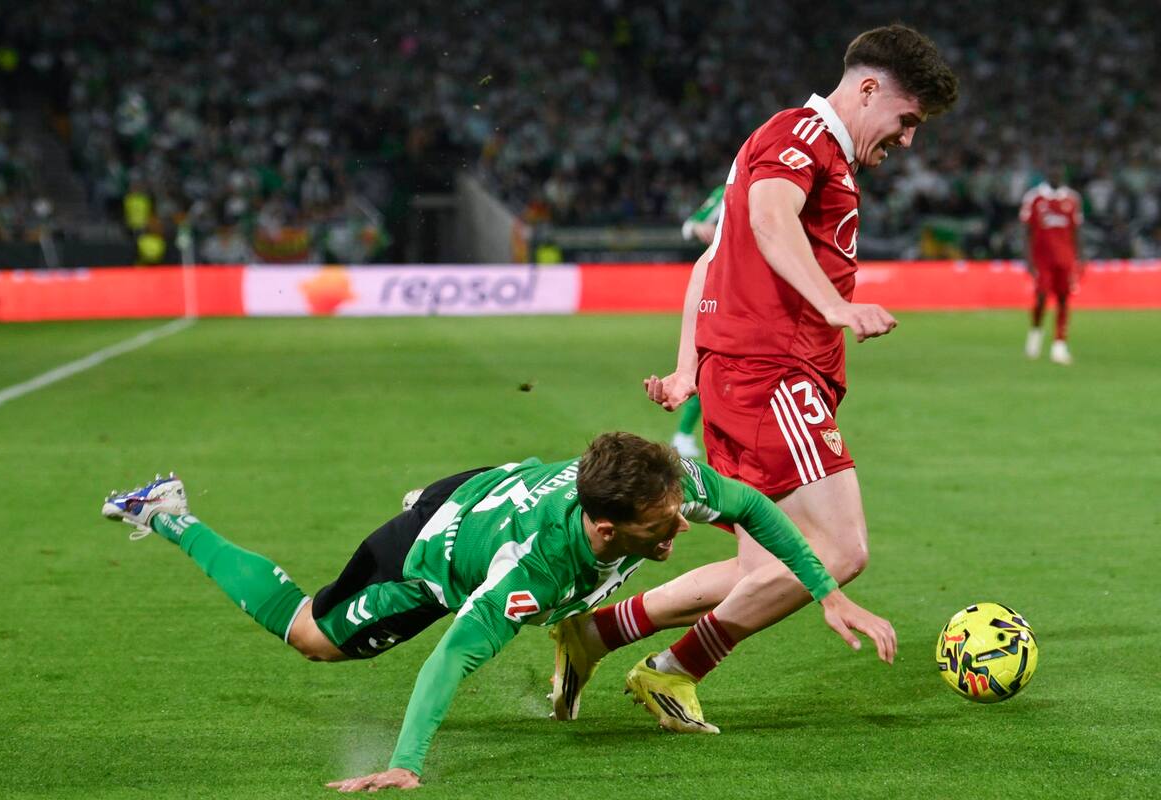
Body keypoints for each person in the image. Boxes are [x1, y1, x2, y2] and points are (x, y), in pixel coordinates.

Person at [551, 24, 957, 733]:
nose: (907, 140)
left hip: (743, 378)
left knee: (756, 574)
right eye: (908, 120)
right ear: (868, 89)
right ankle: (674, 672)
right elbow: (770, 221)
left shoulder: (781, 142)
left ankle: (594, 635)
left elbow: (714, 261)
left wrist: (687, 367)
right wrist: (835, 307)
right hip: (775, 378)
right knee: (841, 549)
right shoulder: (801, 138)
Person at [101, 433, 893, 792]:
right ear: (609, 528)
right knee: (314, 635)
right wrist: (408, 761)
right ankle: (169, 512)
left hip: (498, 488)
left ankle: (581, 627)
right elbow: (454, 655)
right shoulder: (531, 573)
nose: (682, 528)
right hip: (434, 554)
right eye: (666, 526)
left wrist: (828, 593)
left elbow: (751, 504)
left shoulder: (662, 485)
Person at [671, 185, 726, 459]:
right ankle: (684, 434)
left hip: (746, 286)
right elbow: (689, 225)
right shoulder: (729, 190)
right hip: (720, 283)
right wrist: (697, 228)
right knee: (712, 360)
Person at [1020, 166, 1084, 365]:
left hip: (1065, 258)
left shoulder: (1072, 199)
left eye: (1059, 173)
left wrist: (1080, 257)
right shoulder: (1035, 198)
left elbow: (1077, 231)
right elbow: (1026, 230)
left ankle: (1059, 345)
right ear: (1048, 175)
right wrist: (1028, 258)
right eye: (1053, 173)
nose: (1056, 175)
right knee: (1041, 297)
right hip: (1042, 259)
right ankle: (1035, 334)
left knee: (1064, 299)